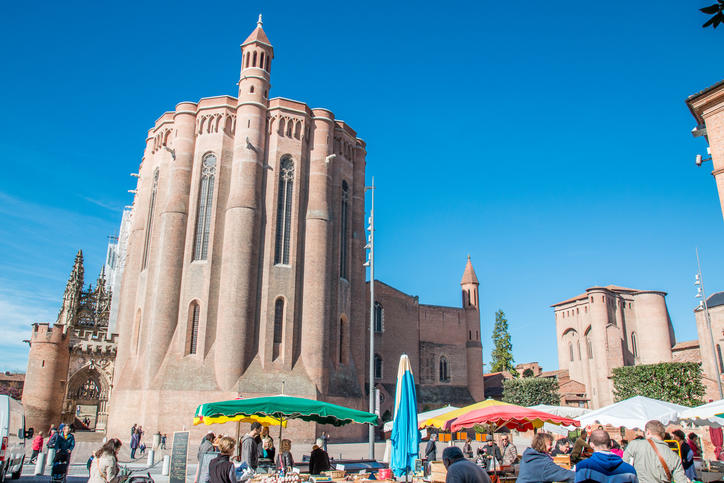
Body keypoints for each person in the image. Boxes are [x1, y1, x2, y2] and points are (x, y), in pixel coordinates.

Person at [622, 420, 687, 483]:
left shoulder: (635, 445)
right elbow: (681, 481)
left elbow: (623, 470)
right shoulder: (674, 456)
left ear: (647, 432)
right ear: (663, 435)